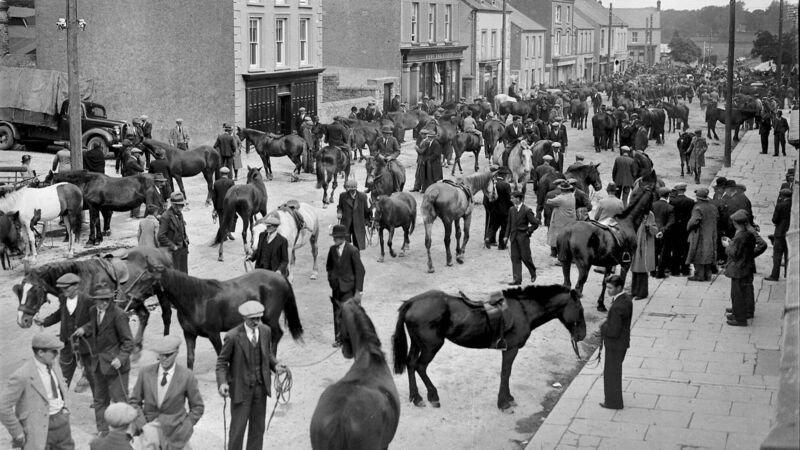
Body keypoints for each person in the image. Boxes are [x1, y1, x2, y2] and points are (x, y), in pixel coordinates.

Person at [216, 301, 288, 450]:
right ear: (244, 318)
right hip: (241, 391)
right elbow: (221, 363)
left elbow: (267, 354)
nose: (256, 322)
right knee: (237, 431)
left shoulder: (265, 331)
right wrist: (222, 383)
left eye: (258, 318)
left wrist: (275, 365)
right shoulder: (232, 336)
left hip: (260, 390)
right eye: (252, 319)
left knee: (257, 430)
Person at [72, 282, 134, 435]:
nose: (105, 302)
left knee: (119, 399)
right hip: (98, 364)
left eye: (107, 299)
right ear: (95, 300)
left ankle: (125, 431)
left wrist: (121, 358)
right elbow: (93, 325)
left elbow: (128, 342)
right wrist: (84, 329)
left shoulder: (119, 315)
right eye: (101, 300)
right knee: (100, 400)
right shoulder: (93, 311)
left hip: (116, 366)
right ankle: (102, 430)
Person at [0, 333, 75, 450]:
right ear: (40, 353)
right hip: (37, 428)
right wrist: (17, 431)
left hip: (62, 422)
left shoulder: (54, 365)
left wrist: (65, 408)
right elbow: (3, 406)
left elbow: (62, 384)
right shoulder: (22, 375)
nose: (57, 355)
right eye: (54, 351)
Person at [129, 335, 204, 450]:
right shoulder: (145, 373)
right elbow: (134, 401)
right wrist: (143, 424)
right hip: (150, 428)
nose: (163, 358)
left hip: (176, 430)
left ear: (177, 352)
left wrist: (186, 427)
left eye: (168, 355)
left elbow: (197, 407)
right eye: (160, 355)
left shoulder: (187, 376)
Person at [32, 273, 94, 388]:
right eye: (61, 288)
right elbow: (59, 314)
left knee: (92, 376)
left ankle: (99, 404)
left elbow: (96, 320)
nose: (63, 290)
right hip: (67, 344)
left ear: (76, 286)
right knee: (62, 377)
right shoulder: (62, 298)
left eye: (66, 288)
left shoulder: (87, 300)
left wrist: (84, 328)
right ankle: (60, 402)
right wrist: (44, 321)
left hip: (86, 345)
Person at [326, 224, 365, 347]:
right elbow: (329, 267)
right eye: (334, 237)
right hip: (336, 287)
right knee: (337, 313)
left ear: (343, 238)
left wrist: (359, 291)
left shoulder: (352, 250)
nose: (334, 239)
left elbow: (360, 271)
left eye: (336, 237)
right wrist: (331, 280)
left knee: (350, 314)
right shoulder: (332, 250)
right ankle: (339, 338)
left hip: (349, 288)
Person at [598, 275, 633, 410]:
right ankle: (614, 400)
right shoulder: (625, 300)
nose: (608, 290)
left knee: (611, 373)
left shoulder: (618, 306)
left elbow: (613, 331)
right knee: (614, 372)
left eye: (610, 288)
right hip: (622, 343)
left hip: (615, 344)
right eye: (607, 287)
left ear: (619, 288)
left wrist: (603, 328)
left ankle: (613, 402)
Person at [723, 210, 757, 326]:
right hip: (746, 266)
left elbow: (734, 254)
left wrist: (728, 246)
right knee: (739, 293)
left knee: (737, 294)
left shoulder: (740, 237)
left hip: (738, 268)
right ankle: (737, 313)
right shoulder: (749, 234)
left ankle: (740, 319)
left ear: (737, 223)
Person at [506, 190, 539, 285]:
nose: (511, 199)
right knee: (515, 258)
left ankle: (533, 272)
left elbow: (535, 223)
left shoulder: (527, 210)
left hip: (523, 237)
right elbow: (509, 224)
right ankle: (517, 279)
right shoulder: (511, 209)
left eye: (512, 198)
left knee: (525, 257)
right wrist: (505, 236)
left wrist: (529, 231)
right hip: (513, 237)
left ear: (518, 199)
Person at [686, 187, 718, 282]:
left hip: (700, 234)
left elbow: (693, 221)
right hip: (712, 233)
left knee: (698, 253)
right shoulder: (713, 207)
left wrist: (688, 228)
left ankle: (699, 275)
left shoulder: (697, 208)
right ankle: (707, 275)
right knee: (709, 254)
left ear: (698, 198)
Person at [158, 192, 190, 273]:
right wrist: (173, 246)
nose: (182, 207)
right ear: (173, 205)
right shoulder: (166, 217)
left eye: (183, 205)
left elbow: (182, 228)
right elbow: (161, 236)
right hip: (173, 252)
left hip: (182, 249)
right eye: (180, 205)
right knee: (176, 275)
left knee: (184, 273)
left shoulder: (179, 214)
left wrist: (185, 238)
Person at [546, 181, 576, 264]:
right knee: (569, 239)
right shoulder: (572, 196)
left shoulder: (561, 198)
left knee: (560, 240)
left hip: (560, 222)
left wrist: (557, 196)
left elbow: (549, 201)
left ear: (562, 190)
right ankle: (571, 258)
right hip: (570, 221)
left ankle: (562, 259)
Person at [337, 179, 371, 250]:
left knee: (357, 244)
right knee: (345, 244)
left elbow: (366, 210)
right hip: (346, 224)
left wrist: (368, 221)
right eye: (350, 190)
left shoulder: (362, 196)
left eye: (353, 190)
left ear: (356, 188)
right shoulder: (342, 196)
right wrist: (339, 212)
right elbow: (340, 207)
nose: (351, 191)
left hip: (358, 224)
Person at [766, 188, 792, 281]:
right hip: (789, 233)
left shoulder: (780, 205)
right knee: (788, 254)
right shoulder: (792, 205)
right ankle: (787, 274)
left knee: (777, 255)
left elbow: (774, 219)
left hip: (780, 232)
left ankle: (775, 275)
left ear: (782, 196)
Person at [669, 183, 695, 276]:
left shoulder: (673, 201)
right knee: (686, 249)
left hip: (675, 228)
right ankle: (685, 269)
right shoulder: (691, 201)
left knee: (676, 249)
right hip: (686, 228)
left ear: (677, 190)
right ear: (685, 190)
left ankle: (675, 270)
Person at [630, 211, 657, 299]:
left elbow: (655, 230)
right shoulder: (636, 212)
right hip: (636, 243)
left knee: (642, 268)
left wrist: (648, 226)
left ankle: (642, 293)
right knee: (635, 268)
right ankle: (634, 291)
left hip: (645, 244)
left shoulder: (650, 214)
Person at [484, 166, 513, 249]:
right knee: (504, 228)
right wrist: (512, 207)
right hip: (504, 211)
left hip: (494, 210)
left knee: (493, 226)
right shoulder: (506, 185)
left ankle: (488, 238)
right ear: (505, 175)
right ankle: (502, 245)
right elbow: (509, 199)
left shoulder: (492, 183)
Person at [652, 187, 675, 278]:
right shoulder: (670, 207)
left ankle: (652, 271)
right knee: (664, 253)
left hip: (653, 231)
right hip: (665, 233)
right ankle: (660, 273)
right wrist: (663, 230)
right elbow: (671, 222)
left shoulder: (653, 205)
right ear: (668, 196)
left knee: (654, 251)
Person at [375, 125, 403, 193]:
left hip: (390, 159)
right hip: (380, 159)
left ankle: (397, 188)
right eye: (385, 133)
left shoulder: (393, 139)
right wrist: (379, 155)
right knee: (371, 169)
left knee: (395, 171)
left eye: (388, 133)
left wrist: (391, 157)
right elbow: (374, 150)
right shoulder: (378, 139)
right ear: (382, 133)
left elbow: (397, 151)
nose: (387, 135)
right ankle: (369, 187)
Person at [212, 167, 236, 243]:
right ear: (228, 174)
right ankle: (229, 231)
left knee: (221, 220)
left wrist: (215, 207)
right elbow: (233, 194)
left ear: (220, 174)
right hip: (229, 205)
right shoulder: (231, 182)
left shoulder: (216, 183)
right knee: (232, 218)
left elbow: (214, 197)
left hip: (219, 205)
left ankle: (223, 235)